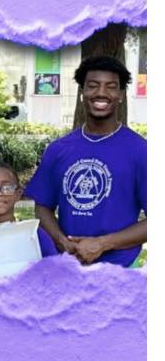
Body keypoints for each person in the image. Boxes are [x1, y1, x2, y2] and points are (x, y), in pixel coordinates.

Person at [26, 55, 147, 267]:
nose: (101, 92)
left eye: (111, 87)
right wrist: (61, 241)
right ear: (82, 92)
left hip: (123, 268)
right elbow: (42, 207)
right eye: (93, 85)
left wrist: (103, 244)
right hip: (68, 266)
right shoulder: (58, 150)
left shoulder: (140, 150)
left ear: (121, 95)